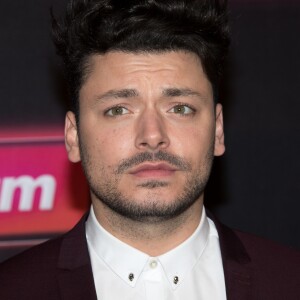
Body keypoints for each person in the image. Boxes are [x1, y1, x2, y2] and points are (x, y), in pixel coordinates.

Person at [0, 0, 299, 299]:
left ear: (218, 130)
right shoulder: (13, 289)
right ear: (73, 136)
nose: (153, 136)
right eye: (118, 110)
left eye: (180, 108)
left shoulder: (289, 281)